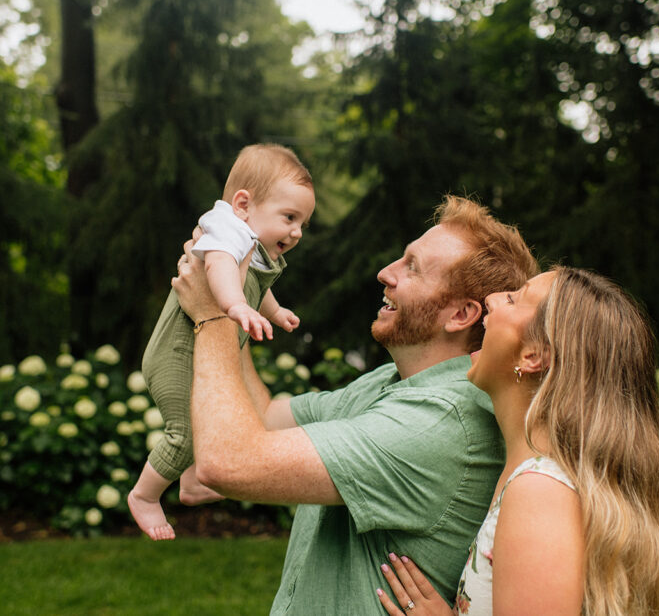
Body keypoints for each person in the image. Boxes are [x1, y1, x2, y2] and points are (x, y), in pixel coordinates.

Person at [171, 196, 539, 615]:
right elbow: (266, 417)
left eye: (412, 267)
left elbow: (228, 462)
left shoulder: (438, 421)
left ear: (460, 314)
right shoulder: (393, 382)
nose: (386, 273)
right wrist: (231, 292)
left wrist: (211, 316)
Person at [373, 267, 659, 616]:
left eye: (513, 299)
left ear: (533, 356)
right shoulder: (536, 479)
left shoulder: (539, 493)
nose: (492, 299)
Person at [127, 143, 316, 540]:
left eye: (303, 223)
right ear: (243, 204)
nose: (297, 231)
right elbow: (221, 266)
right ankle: (144, 496)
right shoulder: (227, 228)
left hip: (197, 355)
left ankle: (193, 482)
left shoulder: (252, 244)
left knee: (215, 418)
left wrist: (274, 312)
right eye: (289, 217)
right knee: (187, 433)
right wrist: (234, 306)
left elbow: (256, 282)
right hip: (175, 355)